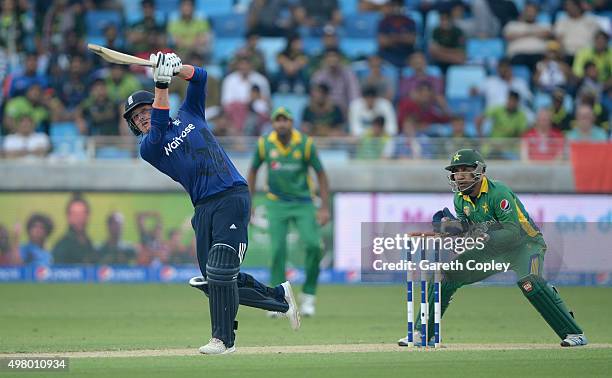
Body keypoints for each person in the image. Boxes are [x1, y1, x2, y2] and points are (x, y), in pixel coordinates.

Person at [122, 51, 300, 355]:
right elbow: (162, 122)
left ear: (154, 105)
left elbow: (201, 78)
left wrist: (179, 69)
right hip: (203, 208)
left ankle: (223, 340)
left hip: (231, 194)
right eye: (137, 119)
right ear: (135, 128)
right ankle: (279, 298)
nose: (143, 118)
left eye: (145, 111)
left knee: (219, 272)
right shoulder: (150, 147)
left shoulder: (190, 114)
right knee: (213, 280)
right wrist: (162, 84)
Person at [398, 149, 588, 348]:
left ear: (479, 171)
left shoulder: (498, 192)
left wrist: (483, 234)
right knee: (445, 275)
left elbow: (513, 231)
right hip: (492, 250)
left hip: (525, 245)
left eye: (465, 170)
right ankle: (424, 333)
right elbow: (467, 229)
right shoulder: (460, 199)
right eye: (456, 171)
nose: (459, 176)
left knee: (530, 282)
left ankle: (574, 333)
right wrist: (452, 229)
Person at [247, 107, 330, 317]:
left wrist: (325, 207)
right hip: (276, 202)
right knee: (277, 252)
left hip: (303, 202)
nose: (281, 124)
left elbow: (320, 174)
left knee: (313, 245)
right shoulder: (265, 143)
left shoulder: (305, 143)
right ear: (273, 124)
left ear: (292, 123)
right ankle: (277, 299)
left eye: (285, 120)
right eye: (278, 121)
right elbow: (253, 171)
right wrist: (249, 203)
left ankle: (309, 296)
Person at [52, 194, 97, 264]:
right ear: (68, 217)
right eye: (75, 215)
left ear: (88, 216)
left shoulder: (89, 242)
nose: (79, 218)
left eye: (82, 214)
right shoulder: (62, 246)